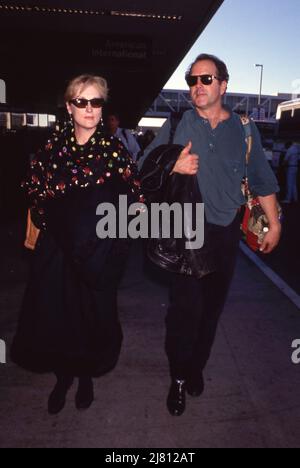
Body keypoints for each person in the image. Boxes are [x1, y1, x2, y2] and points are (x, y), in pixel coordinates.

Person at [139, 54, 281, 417]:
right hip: (185, 232)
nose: (197, 86)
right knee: (184, 312)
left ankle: (195, 366)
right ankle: (179, 378)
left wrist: (274, 222)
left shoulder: (244, 129)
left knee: (210, 312)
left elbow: (261, 179)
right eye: (192, 80)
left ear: (223, 84)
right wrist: (174, 164)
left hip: (224, 235)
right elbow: (143, 168)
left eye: (205, 79)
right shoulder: (177, 123)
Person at [11, 75, 142, 415]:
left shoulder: (114, 152)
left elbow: (134, 199)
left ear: (103, 108)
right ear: (69, 106)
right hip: (56, 252)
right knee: (58, 316)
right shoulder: (49, 151)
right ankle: (63, 377)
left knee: (92, 318)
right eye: (81, 101)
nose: (88, 108)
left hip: (97, 252)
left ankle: (86, 377)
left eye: (96, 101)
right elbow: (34, 194)